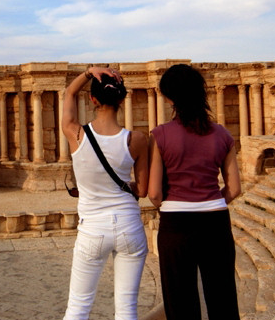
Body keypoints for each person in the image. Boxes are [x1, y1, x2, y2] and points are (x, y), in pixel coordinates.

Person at [148, 64, 242, 320]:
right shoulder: (223, 134)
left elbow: (154, 193)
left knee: (180, 302)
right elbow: (234, 188)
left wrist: (172, 205)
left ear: (168, 97)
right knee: (222, 297)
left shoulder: (160, 135)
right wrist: (211, 201)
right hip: (215, 221)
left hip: (176, 223)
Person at [62, 66, 149, 320]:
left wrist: (89, 72)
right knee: (126, 308)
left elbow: (68, 92)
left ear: (92, 100)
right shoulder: (137, 139)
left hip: (92, 229)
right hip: (129, 227)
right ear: (122, 99)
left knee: (78, 308)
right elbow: (141, 190)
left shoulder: (76, 134)